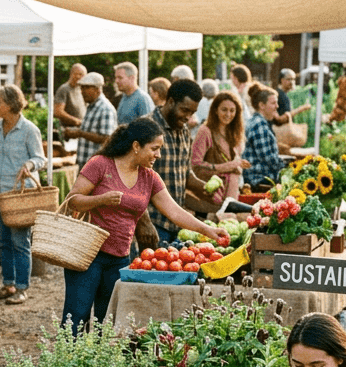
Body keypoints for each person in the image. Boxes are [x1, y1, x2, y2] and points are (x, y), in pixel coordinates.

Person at [61, 118, 229, 333]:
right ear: (136, 146)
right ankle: (68, 365)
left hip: (119, 258)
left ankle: (98, 366)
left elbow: (174, 211)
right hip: (87, 254)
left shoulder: (149, 178)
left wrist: (208, 229)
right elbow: (72, 200)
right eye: (155, 149)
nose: (158, 155)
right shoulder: (101, 164)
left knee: (108, 321)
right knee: (75, 318)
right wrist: (100, 200)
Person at [0, 85, 48, 305]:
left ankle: (22, 287)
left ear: (11, 104)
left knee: (20, 241)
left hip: (19, 194)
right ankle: (8, 283)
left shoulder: (29, 130)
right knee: (3, 240)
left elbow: (41, 159)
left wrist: (29, 164)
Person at [146, 79, 204, 243]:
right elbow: (131, 180)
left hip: (177, 224)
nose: (188, 117)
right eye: (184, 110)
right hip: (153, 223)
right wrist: (143, 223)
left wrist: (204, 188)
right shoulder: (147, 127)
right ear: (170, 101)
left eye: (192, 112)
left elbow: (185, 173)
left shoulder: (184, 131)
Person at [191, 91, 249, 205]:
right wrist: (229, 166)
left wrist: (238, 165)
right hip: (210, 196)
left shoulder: (234, 132)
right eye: (224, 109)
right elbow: (195, 165)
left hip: (231, 193)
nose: (228, 114)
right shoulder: (205, 131)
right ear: (216, 110)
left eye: (232, 110)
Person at [63, 71, 115, 166]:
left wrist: (80, 133)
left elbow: (107, 138)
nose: (82, 91)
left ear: (97, 89)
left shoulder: (105, 108)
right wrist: (74, 133)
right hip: (85, 163)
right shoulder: (90, 106)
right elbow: (90, 131)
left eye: (86, 87)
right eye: (81, 88)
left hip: (98, 167)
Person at [241, 85, 287, 190]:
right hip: (258, 181)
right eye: (273, 103)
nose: (277, 106)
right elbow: (269, 159)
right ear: (261, 105)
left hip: (257, 178)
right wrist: (290, 168)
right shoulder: (259, 125)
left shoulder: (256, 121)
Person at [53, 64, 87, 155]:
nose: (78, 77)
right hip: (68, 132)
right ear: (71, 74)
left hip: (81, 131)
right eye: (76, 74)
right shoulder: (64, 89)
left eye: (81, 74)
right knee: (70, 159)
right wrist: (76, 121)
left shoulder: (81, 89)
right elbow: (57, 112)